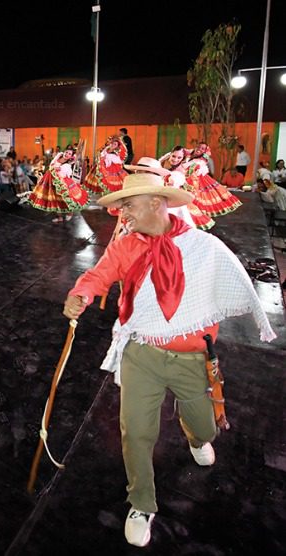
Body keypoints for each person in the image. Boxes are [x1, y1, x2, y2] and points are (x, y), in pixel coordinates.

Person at [62, 173, 275, 547]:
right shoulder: (125, 246)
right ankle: (141, 501)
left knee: (206, 429)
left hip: (190, 360)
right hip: (141, 353)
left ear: (156, 203)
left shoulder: (203, 247)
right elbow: (99, 276)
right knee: (137, 431)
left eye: (129, 204)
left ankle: (196, 436)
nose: (123, 212)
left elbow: (229, 283)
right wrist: (81, 292)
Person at [28, 148, 88, 222]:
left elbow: (67, 175)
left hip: (61, 182)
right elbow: (51, 166)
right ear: (64, 152)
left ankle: (70, 213)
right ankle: (59, 217)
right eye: (66, 152)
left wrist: (60, 171)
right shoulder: (58, 156)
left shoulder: (68, 164)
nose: (67, 154)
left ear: (71, 156)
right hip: (50, 180)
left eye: (69, 154)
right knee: (54, 200)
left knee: (65, 199)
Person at [182, 142, 241, 218]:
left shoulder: (201, 160)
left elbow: (188, 166)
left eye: (203, 148)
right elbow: (183, 151)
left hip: (196, 181)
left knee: (196, 201)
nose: (200, 149)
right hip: (187, 180)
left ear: (204, 152)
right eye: (199, 147)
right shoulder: (190, 154)